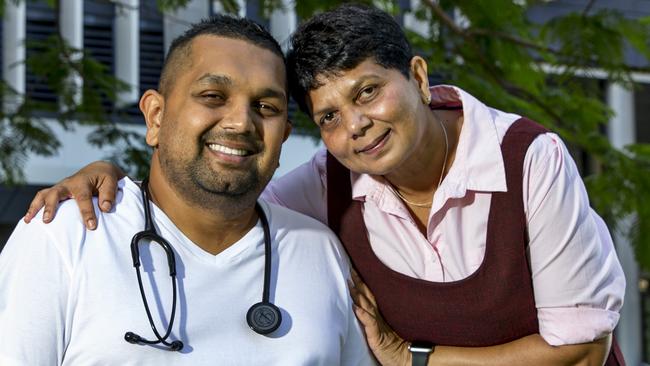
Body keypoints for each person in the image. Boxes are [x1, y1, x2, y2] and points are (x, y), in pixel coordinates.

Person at [23, 4, 626, 366]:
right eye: (329, 117)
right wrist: (108, 180)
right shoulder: (324, 195)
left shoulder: (527, 159)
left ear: (418, 75)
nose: (356, 125)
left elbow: (581, 351)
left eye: (367, 92)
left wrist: (408, 358)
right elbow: (212, 191)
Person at [0, 15, 374, 366]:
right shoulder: (67, 235)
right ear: (156, 117)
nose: (242, 122)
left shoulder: (319, 250)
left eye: (265, 106)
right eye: (213, 96)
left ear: (284, 137)